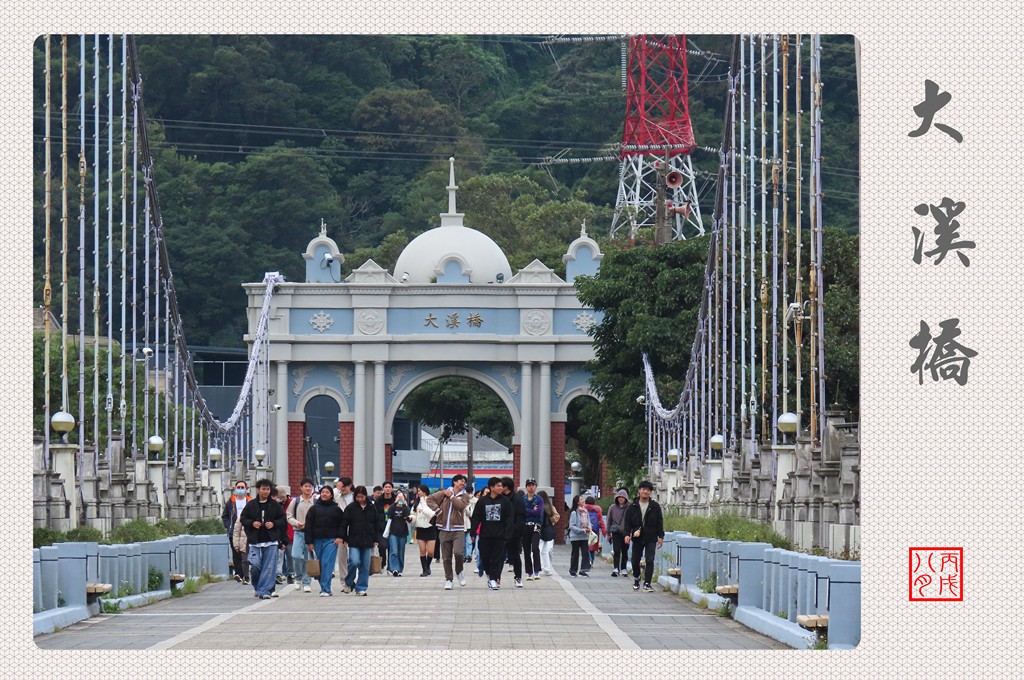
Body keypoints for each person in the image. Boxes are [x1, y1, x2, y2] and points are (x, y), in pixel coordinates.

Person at [239, 478, 287, 599]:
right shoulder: (251, 505)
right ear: (258, 490)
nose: (265, 491)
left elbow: (283, 521)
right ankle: (258, 586)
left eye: (267, 489)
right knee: (255, 566)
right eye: (263, 489)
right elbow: (243, 519)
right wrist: (252, 523)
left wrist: (274, 524)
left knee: (269, 566)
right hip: (255, 541)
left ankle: (266, 590)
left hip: (271, 541)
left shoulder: (275, 505)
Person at [425, 473, 471, 590]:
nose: (463, 484)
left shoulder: (464, 496)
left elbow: (460, 506)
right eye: (461, 481)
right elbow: (429, 499)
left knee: (459, 553)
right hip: (443, 528)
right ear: (454, 482)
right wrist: (438, 511)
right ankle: (449, 579)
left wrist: (451, 497)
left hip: (458, 528)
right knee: (446, 557)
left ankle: (459, 571)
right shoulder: (443, 493)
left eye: (464, 482)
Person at [470, 477, 512, 590]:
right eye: (498, 486)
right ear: (491, 487)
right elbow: (476, 517)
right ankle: (489, 575)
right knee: (485, 557)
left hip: (500, 536)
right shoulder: (483, 501)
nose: (500, 488)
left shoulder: (505, 501)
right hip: (485, 535)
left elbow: (509, 519)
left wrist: (508, 535)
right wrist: (473, 533)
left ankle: (494, 579)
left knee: (497, 558)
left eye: (501, 486)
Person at [303, 484, 345, 596]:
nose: (324, 494)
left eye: (327, 492)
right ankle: (324, 586)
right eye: (323, 492)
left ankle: (325, 589)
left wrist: (340, 537)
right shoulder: (314, 509)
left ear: (331, 495)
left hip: (332, 540)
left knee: (327, 563)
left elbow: (342, 524)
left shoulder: (336, 509)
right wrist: (309, 542)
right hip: (317, 540)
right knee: (320, 564)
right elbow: (308, 526)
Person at [623, 480, 665, 593]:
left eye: (648, 490)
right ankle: (637, 577)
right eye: (643, 489)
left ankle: (647, 583)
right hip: (637, 536)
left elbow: (659, 522)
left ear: (650, 492)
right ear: (639, 490)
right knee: (635, 560)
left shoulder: (655, 506)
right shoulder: (632, 506)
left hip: (651, 536)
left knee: (649, 560)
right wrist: (627, 534)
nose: (645, 491)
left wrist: (661, 536)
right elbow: (627, 523)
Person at [342, 485, 381, 596]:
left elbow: (376, 524)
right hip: (354, 540)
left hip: (368, 540)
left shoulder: (371, 507)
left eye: (362, 497)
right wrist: (344, 537)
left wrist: (376, 539)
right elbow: (344, 524)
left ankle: (361, 587)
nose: (360, 499)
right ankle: (349, 581)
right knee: (354, 561)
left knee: (365, 565)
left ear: (365, 496)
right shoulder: (351, 508)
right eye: (358, 497)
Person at [287, 477, 317, 592]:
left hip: (310, 534)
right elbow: (288, 515)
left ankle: (306, 582)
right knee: (296, 555)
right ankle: (298, 577)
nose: (308, 488)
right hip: (298, 532)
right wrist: (296, 523)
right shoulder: (296, 501)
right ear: (301, 488)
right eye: (306, 486)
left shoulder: (314, 502)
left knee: (308, 558)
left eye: (310, 486)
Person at [221, 480, 251, 584]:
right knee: (236, 551)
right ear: (235, 488)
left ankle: (245, 574)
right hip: (234, 531)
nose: (240, 489)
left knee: (245, 553)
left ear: (246, 489)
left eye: (243, 487)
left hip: (246, 531)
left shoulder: (250, 502)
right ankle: (238, 573)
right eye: (239, 487)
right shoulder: (231, 502)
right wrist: (229, 526)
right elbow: (224, 516)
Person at [500, 476, 526, 587]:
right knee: (499, 557)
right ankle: (496, 578)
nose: (499, 487)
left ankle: (518, 578)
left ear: (506, 487)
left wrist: (515, 530)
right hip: (500, 533)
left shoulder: (517, 499)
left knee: (515, 556)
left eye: (501, 485)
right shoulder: (498, 498)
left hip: (514, 533)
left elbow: (521, 517)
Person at [411, 484, 438, 577]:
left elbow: (433, 514)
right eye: (418, 491)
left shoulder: (431, 501)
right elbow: (414, 514)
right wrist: (410, 518)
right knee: (422, 550)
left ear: (425, 492)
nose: (418, 492)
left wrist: (423, 510)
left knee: (430, 551)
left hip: (430, 527)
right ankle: (424, 569)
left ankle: (428, 566)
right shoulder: (416, 502)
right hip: (420, 528)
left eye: (419, 491)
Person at [521, 478, 544, 580]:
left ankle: (537, 570)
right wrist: (531, 510)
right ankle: (529, 572)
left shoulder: (539, 499)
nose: (531, 487)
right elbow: (521, 511)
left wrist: (528, 511)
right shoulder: (522, 499)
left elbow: (538, 512)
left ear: (535, 486)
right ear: (526, 487)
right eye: (529, 485)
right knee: (526, 549)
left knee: (535, 547)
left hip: (536, 525)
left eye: (533, 485)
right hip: (525, 525)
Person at [606, 488, 630, 577]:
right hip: (615, 532)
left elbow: (632, 521)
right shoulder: (612, 508)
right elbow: (609, 520)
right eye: (619, 497)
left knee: (625, 551)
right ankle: (616, 568)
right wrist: (608, 533)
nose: (621, 499)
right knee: (616, 550)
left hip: (626, 533)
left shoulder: (629, 507)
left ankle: (623, 568)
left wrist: (630, 532)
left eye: (622, 497)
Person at [374, 481, 397, 573]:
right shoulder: (379, 500)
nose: (387, 489)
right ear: (383, 489)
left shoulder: (395, 499)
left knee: (392, 547)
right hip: (381, 527)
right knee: (383, 546)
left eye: (389, 487)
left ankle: (391, 567)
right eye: (386, 487)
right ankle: (383, 563)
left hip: (393, 526)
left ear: (392, 489)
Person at [334, 476, 353, 583]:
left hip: (354, 529)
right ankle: (344, 580)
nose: (342, 488)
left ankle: (352, 577)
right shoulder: (338, 497)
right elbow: (333, 493)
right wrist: (338, 487)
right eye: (341, 486)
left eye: (344, 486)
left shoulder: (355, 497)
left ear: (350, 485)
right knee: (342, 556)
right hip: (341, 529)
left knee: (353, 557)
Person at [567, 494, 592, 577]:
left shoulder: (585, 511)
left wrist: (589, 527)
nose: (583, 500)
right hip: (575, 536)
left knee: (585, 553)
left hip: (585, 536)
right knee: (575, 554)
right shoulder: (574, 512)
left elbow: (589, 522)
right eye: (581, 499)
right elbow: (572, 525)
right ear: (577, 502)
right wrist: (582, 530)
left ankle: (583, 570)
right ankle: (573, 570)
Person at [387, 491, 411, 576]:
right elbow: (389, 513)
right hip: (393, 532)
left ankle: (400, 569)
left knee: (401, 552)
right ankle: (394, 569)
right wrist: (395, 503)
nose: (400, 499)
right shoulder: (393, 507)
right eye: (398, 497)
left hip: (403, 532)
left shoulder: (405, 508)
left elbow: (408, 516)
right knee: (394, 551)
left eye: (402, 497)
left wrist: (405, 505)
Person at [537, 490, 560, 576]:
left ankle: (540, 568)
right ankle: (546, 568)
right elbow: (556, 517)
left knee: (539, 549)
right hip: (548, 530)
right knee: (546, 550)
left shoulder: (541, 507)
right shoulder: (550, 507)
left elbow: (556, 516)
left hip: (540, 530)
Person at [276, 485, 294, 585]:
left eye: (282, 498)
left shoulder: (292, 503)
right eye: (279, 498)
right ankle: (278, 574)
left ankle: (290, 574)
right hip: (279, 533)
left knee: (290, 556)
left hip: (291, 533)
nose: (281, 500)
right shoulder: (277, 505)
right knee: (279, 556)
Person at [585, 495, 606, 566]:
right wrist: (604, 532)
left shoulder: (583, 510)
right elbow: (601, 522)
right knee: (592, 548)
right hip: (595, 531)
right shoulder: (597, 511)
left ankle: (589, 560)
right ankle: (591, 561)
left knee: (586, 547)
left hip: (586, 531)